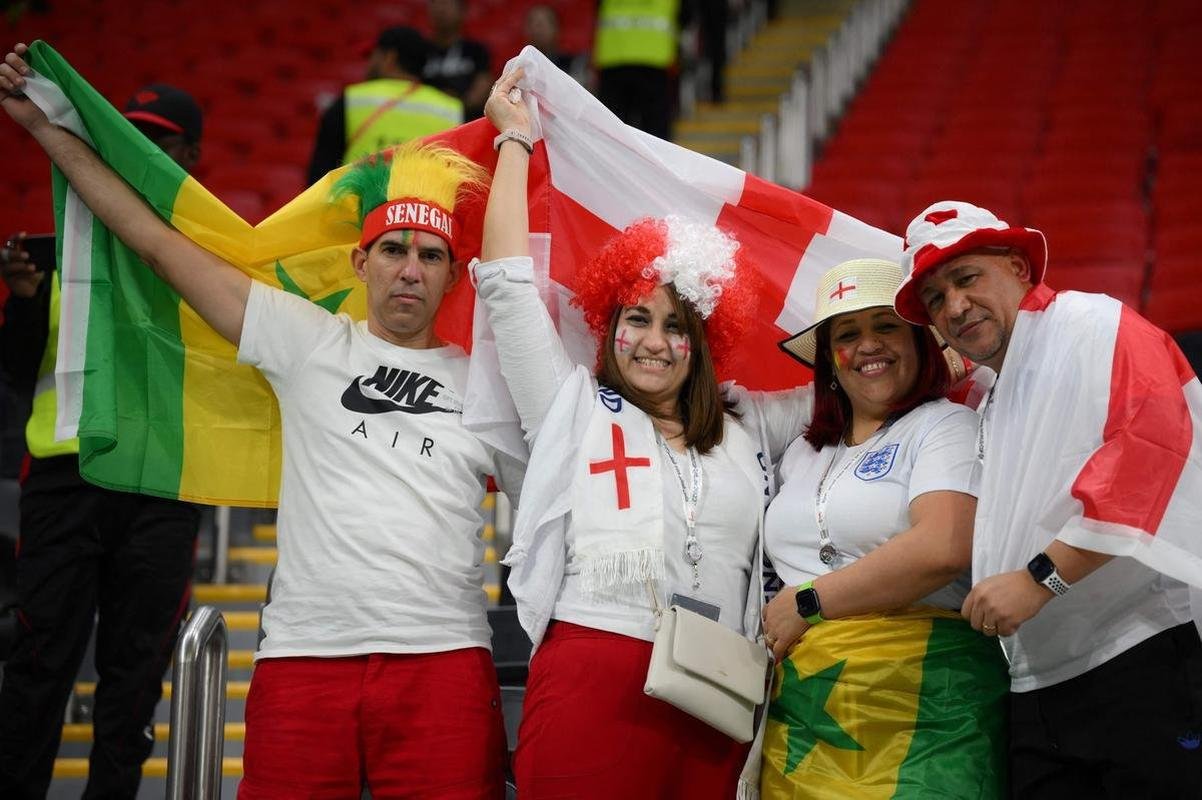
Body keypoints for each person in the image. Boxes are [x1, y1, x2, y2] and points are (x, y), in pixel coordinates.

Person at [0, 43, 523, 798]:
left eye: (431, 255)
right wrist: (51, 131)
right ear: (360, 262)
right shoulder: (307, 341)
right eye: (394, 249)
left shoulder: (486, 383)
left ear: (451, 273)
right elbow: (155, 245)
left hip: (443, 663)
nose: (411, 268)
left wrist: (514, 140)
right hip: (305, 662)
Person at [475, 68, 810, 799]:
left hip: (717, 688)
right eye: (636, 319)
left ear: (705, 339)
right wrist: (513, 141)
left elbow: (850, 379)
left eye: (676, 326)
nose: (653, 342)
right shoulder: (571, 409)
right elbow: (503, 283)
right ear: (608, 326)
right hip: (593, 670)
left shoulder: (748, 421)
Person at [895, 200, 1202, 797]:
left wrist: (1042, 579)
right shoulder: (992, 396)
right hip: (1036, 684)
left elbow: (1153, 448)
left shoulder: (1092, 325)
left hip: (1137, 658)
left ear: (1018, 267)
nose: (954, 307)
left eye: (966, 278)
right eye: (934, 298)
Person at [0, 83, 203, 799]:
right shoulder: (62, 241)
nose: (143, 151)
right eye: (132, 135)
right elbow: (21, 373)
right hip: (65, 481)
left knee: (134, 674)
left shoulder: (211, 251)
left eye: (161, 139)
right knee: (36, 666)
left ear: (192, 155)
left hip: (162, 484)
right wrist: (23, 308)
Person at [759, 257, 1007, 795]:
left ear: (922, 343)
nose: (868, 345)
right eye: (848, 334)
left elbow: (942, 547)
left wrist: (806, 601)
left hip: (927, 701)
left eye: (886, 327)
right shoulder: (800, 453)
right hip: (806, 711)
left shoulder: (949, 425)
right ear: (829, 361)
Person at [307, 26, 463, 184]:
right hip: (423, 207)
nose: (368, 64)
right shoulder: (451, 109)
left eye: (372, 56)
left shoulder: (352, 100)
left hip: (361, 206)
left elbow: (319, 177)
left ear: (390, 58)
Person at [594, 0, 679, 140]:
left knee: (614, 136)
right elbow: (686, 15)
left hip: (614, 56)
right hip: (655, 58)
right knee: (656, 138)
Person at [424, 0, 492, 120]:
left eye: (447, 3)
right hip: (426, 119)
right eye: (436, 3)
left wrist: (451, 103)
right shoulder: (420, 51)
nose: (441, 9)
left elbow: (481, 91)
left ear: (462, 11)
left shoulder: (476, 51)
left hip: (464, 123)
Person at [524, 5, 584, 83]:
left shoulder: (573, 64)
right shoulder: (519, 65)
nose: (537, 29)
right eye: (532, 23)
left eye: (541, 24)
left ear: (556, 28)